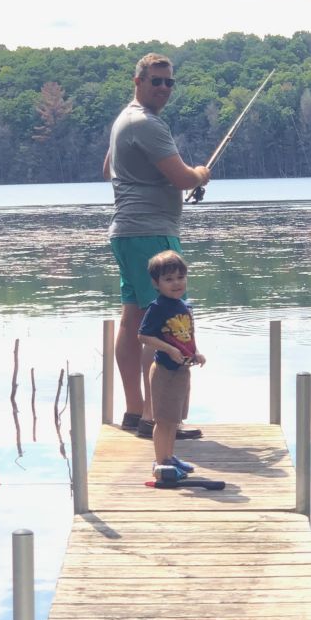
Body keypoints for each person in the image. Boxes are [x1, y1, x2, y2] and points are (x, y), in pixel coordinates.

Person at [103, 52, 211, 439]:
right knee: (163, 321)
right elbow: (184, 178)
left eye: (169, 82)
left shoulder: (124, 121)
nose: (164, 88)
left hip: (127, 233)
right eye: (156, 81)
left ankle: (135, 412)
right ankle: (156, 419)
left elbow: (108, 169)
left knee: (133, 318)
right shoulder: (147, 124)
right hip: (150, 233)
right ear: (138, 81)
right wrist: (201, 174)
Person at [138, 250, 205, 480]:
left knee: (174, 419)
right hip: (165, 371)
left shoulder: (183, 305)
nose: (176, 283)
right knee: (163, 420)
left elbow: (185, 335)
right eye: (168, 279)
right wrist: (169, 349)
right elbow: (144, 336)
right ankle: (160, 463)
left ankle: (169, 457)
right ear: (156, 284)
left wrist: (195, 352)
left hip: (182, 370)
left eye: (180, 277)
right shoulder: (158, 308)